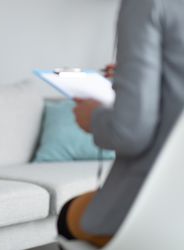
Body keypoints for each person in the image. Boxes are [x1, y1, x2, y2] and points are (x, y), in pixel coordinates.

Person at [57, 0, 184, 247]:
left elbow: (130, 133)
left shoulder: (146, 4)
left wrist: (93, 117)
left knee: (68, 216)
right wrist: (129, 78)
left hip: (160, 203)